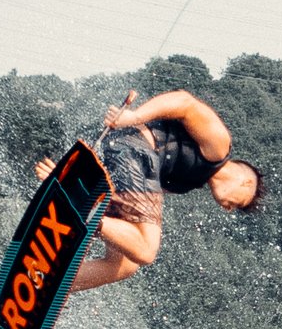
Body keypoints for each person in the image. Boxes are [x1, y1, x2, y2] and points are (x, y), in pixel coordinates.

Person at [37, 87, 265, 292]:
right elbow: (185, 102)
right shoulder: (219, 147)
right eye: (239, 204)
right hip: (134, 148)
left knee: (124, 265)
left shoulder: (188, 180)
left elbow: (123, 198)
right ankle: (76, 206)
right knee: (147, 249)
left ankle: (50, 285)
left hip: (121, 159)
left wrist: (71, 178)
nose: (229, 209)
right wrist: (133, 117)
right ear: (246, 183)